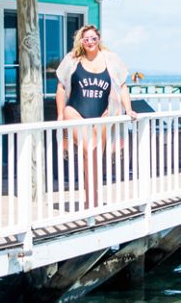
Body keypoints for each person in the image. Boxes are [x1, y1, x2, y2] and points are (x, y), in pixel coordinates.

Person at [55, 25, 137, 208]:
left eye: (93, 38)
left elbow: (122, 86)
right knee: (90, 150)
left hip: (103, 115)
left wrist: (129, 109)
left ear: (99, 39)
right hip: (74, 111)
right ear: (81, 41)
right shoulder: (72, 59)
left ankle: (92, 200)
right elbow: (61, 87)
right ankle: (91, 202)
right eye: (86, 39)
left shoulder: (111, 59)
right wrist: (60, 114)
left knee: (93, 157)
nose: (90, 42)